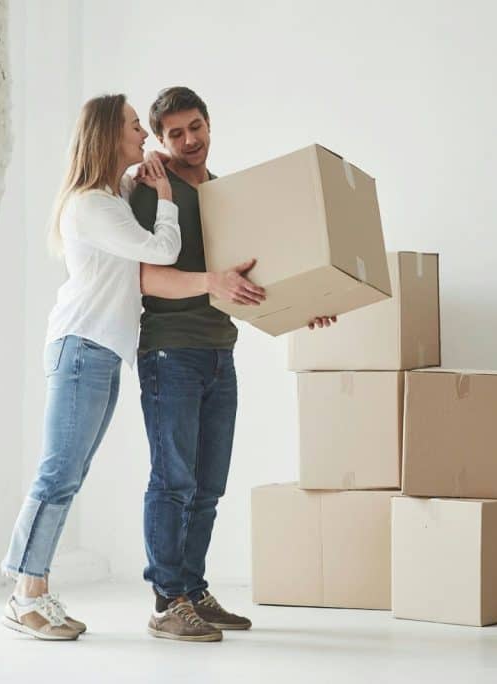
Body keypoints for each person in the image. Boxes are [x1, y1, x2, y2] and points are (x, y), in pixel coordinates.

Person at [129, 86, 335, 643]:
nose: (189, 140)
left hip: (220, 350)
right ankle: (166, 601)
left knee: (207, 484)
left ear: (209, 124)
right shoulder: (153, 188)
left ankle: (193, 591)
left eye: (196, 126)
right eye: (175, 133)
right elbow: (141, 276)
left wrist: (301, 303)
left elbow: (240, 281)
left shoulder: (225, 193)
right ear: (159, 138)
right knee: (172, 479)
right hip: (169, 350)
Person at [0, 94, 181, 641]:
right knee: (57, 475)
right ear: (108, 135)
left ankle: (34, 590)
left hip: (97, 352)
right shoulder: (91, 205)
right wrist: (166, 195)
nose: (144, 136)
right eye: (134, 128)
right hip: (82, 350)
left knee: (69, 476)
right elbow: (163, 250)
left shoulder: (106, 198)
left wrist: (141, 176)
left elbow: (122, 196)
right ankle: (24, 596)